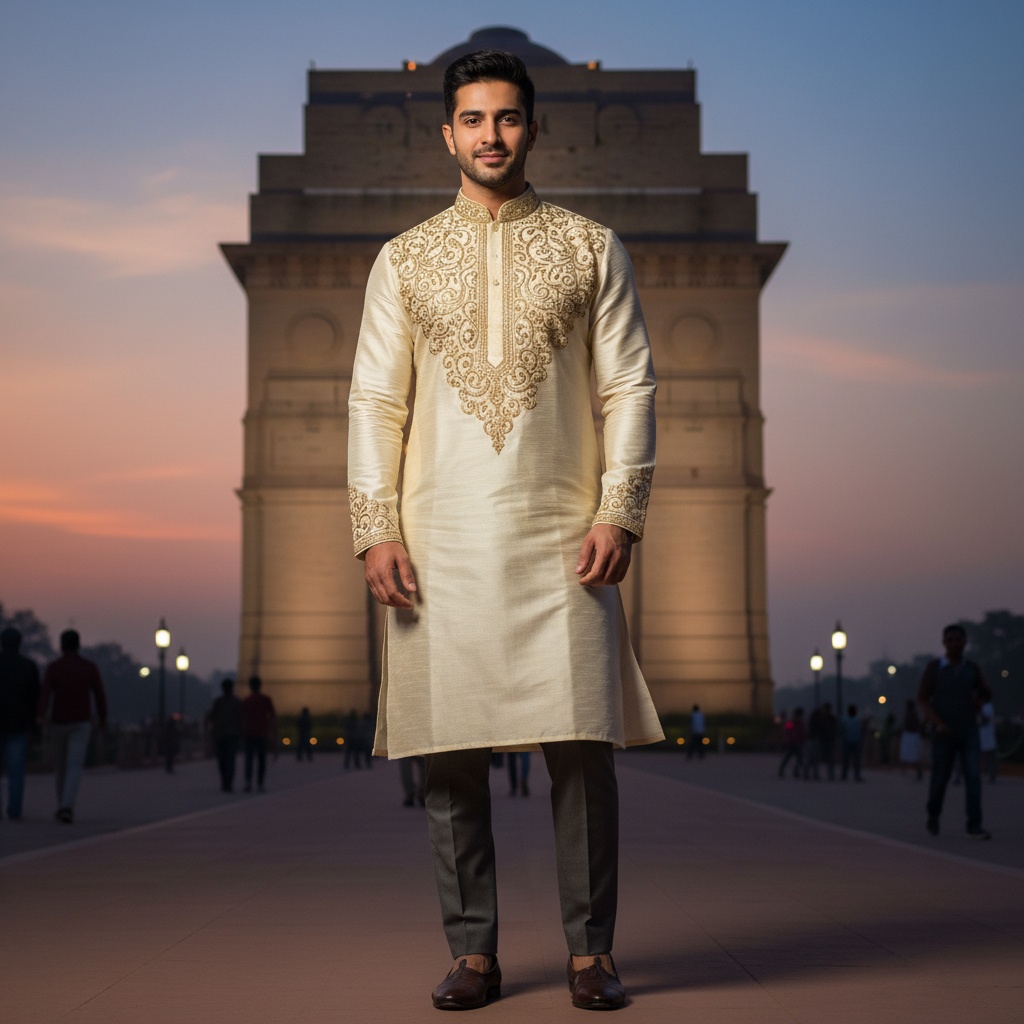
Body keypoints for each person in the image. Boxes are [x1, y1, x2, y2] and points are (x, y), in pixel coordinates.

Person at [348, 50, 661, 1011]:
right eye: (473, 120)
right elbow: (374, 402)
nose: (492, 135)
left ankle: (589, 954)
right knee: (450, 752)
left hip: (560, 536)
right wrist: (376, 528)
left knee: (581, 751)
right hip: (440, 538)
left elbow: (630, 385)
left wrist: (621, 510)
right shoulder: (402, 259)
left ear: (533, 128)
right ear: (448, 134)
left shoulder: (592, 246)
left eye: (509, 118)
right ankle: (474, 952)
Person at [918, 624, 992, 838]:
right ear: (944, 643)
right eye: (950, 640)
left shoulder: (971, 668)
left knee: (973, 778)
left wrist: (979, 700)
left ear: (965, 642)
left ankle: (974, 824)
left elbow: (985, 691)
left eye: (958, 639)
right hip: (944, 732)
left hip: (968, 730)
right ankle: (933, 814)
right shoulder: (935, 668)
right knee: (940, 778)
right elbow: (923, 698)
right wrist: (937, 722)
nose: (954, 644)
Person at [38, 629, 107, 823]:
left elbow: (45, 694)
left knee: (60, 768)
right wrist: (102, 720)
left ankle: (63, 805)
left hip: (58, 721)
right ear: (78, 645)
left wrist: (41, 715)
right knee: (74, 766)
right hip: (80, 722)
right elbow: (100, 696)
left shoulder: (54, 668)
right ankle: (66, 806)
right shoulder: (88, 667)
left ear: (61, 646)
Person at [0, 627, 41, 820]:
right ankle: (14, 809)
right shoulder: (28, 666)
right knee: (16, 773)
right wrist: (35, 726)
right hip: (19, 725)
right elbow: (35, 699)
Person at [241, 676, 276, 793]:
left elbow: (242, 718)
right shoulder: (266, 700)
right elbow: (272, 717)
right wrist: (272, 733)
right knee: (261, 760)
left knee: (249, 760)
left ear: (250, 686)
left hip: (249, 733)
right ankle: (260, 783)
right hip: (262, 733)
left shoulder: (247, 701)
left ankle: (248, 782)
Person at [207, 677, 243, 792]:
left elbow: (211, 718)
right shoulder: (236, 702)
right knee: (229, 760)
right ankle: (228, 782)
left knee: (223, 760)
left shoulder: (218, 702)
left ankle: (225, 781)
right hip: (231, 734)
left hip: (221, 735)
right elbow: (241, 719)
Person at [898, 698, 922, 780]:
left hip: (912, 736)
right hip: (909, 735)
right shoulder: (909, 714)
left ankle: (919, 772)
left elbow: (913, 725)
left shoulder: (912, 714)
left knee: (913, 755)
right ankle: (903, 770)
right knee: (905, 754)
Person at [778, 708, 806, 779]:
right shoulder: (792, 723)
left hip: (797, 743)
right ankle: (783, 771)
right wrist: (787, 740)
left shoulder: (799, 723)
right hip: (792, 743)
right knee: (790, 758)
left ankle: (794, 771)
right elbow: (786, 731)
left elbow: (801, 733)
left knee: (798, 758)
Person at [840, 704, 863, 782]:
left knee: (856, 760)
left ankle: (856, 775)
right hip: (847, 741)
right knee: (846, 760)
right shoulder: (845, 719)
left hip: (856, 741)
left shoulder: (857, 719)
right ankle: (844, 775)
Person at [818, 702, 838, 781]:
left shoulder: (827, 718)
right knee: (825, 758)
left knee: (829, 758)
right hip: (824, 739)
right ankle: (820, 773)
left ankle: (830, 773)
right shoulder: (827, 718)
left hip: (828, 740)